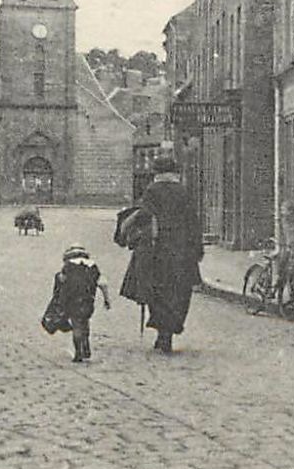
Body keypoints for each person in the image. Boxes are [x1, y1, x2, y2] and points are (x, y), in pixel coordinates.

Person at [119, 152, 204, 355]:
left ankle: (161, 333)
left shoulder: (152, 190)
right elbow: (193, 221)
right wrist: (197, 249)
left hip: (156, 251)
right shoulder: (184, 192)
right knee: (179, 293)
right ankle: (168, 332)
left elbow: (145, 216)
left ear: (157, 172)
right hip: (182, 252)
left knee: (154, 290)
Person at [52, 243, 111, 363]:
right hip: (88, 300)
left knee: (76, 325)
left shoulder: (68, 266)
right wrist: (106, 299)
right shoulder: (93, 266)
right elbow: (103, 284)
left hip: (72, 301)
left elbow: (62, 280)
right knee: (85, 322)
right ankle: (86, 344)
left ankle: (78, 351)